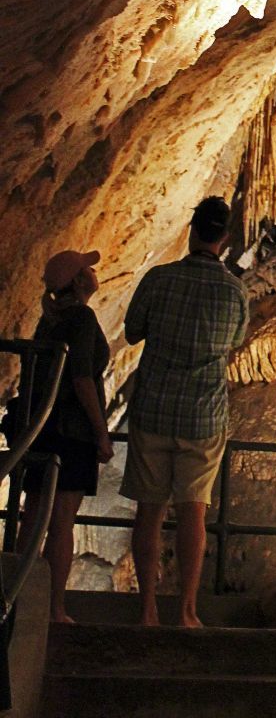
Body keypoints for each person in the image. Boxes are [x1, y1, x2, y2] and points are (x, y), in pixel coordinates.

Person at [120, 196, 248, 627]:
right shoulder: (234, 290)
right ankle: (188, 611)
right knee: (193, 510)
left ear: (192, 230)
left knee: (150, 511)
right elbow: (233, 341)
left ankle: (147, 610)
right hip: (203, 416)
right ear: (225, 238)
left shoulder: (159, 280)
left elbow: (133, 330)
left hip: (154, 409)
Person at [19, 250, 114, 624]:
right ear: (78, 281)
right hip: (71, 433)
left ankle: (20, 599)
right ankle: (54, 609)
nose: (94, 271)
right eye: (88, 267)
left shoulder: (50, 320)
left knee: (32, 518)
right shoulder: (82, 318)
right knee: (60, 523)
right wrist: (101, 433)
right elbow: (81, 379)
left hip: (43, 431)